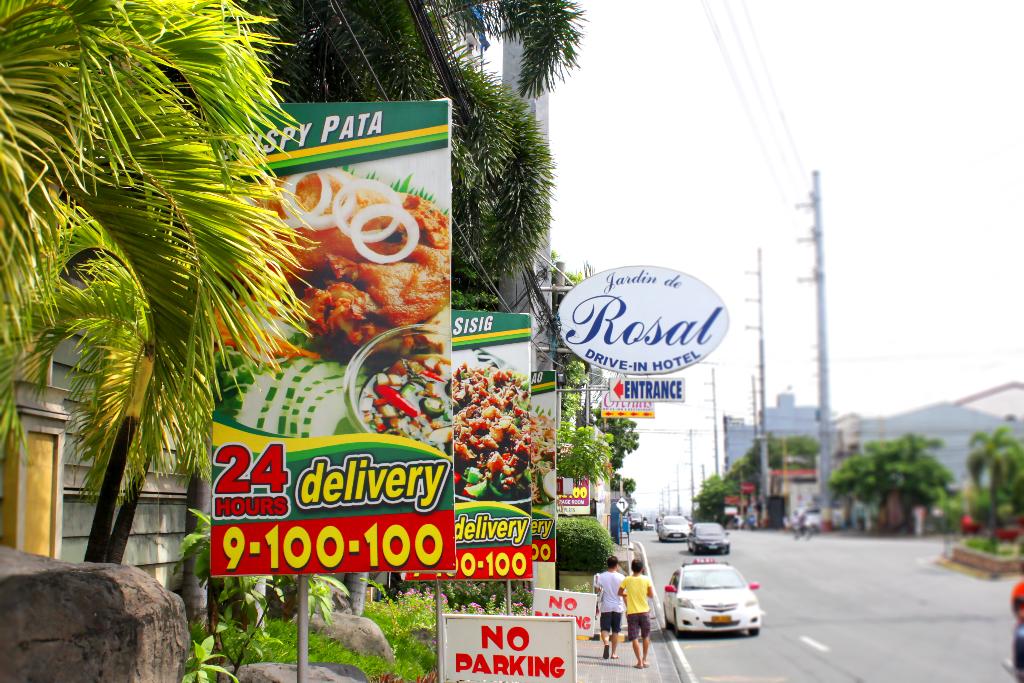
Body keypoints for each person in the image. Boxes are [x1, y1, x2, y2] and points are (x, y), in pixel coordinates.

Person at [618, 558, 655, 669]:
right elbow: (651, 595)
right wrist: (643, 593)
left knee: (634, 637)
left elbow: (619, 593)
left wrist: (628, 595)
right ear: (642, 569)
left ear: (632, 568)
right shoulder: (646, 579)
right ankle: (645, 659)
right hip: (644, 612)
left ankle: (639, 662)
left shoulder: (627, 580)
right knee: (645, 636)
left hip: (632, 613)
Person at [594, 556, 625, 660]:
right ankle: (614, 653)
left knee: (605, 629)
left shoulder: (601, 576)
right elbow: (624, 593)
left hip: (606, 606)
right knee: (616, 631)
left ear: (607, 564)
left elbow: (597, 590)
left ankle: (606, 643)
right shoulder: (622, 577)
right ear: (617, 565)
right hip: (618, 607)